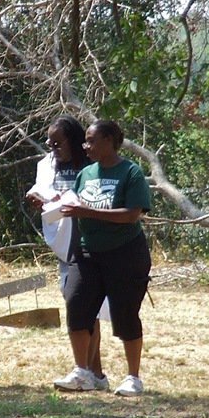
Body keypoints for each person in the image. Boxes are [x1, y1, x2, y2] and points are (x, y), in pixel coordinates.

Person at [52, 120, 152, 397]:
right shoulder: (86, 174)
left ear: (110, 141)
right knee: (76, 305)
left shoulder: (130, 173)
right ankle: (83, 373)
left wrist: (87, 212)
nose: (86, 146)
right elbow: (78, 207)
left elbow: (132, 214)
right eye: (85, 141)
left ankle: (133, 378)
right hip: (87, 253)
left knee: (125, 315)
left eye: (92, 140)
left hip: (125, 254)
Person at [25, 116, 108, 388]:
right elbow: (43, 190)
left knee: (85, 308)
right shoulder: (47, 166)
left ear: (73, 141)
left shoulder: (91, 165)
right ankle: (95, 374)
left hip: (90, 243)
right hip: (64, 245)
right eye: (49, 141)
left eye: (58, 142)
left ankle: (86, 372)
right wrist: (40, 199)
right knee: (81, 308)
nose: (52, 146)